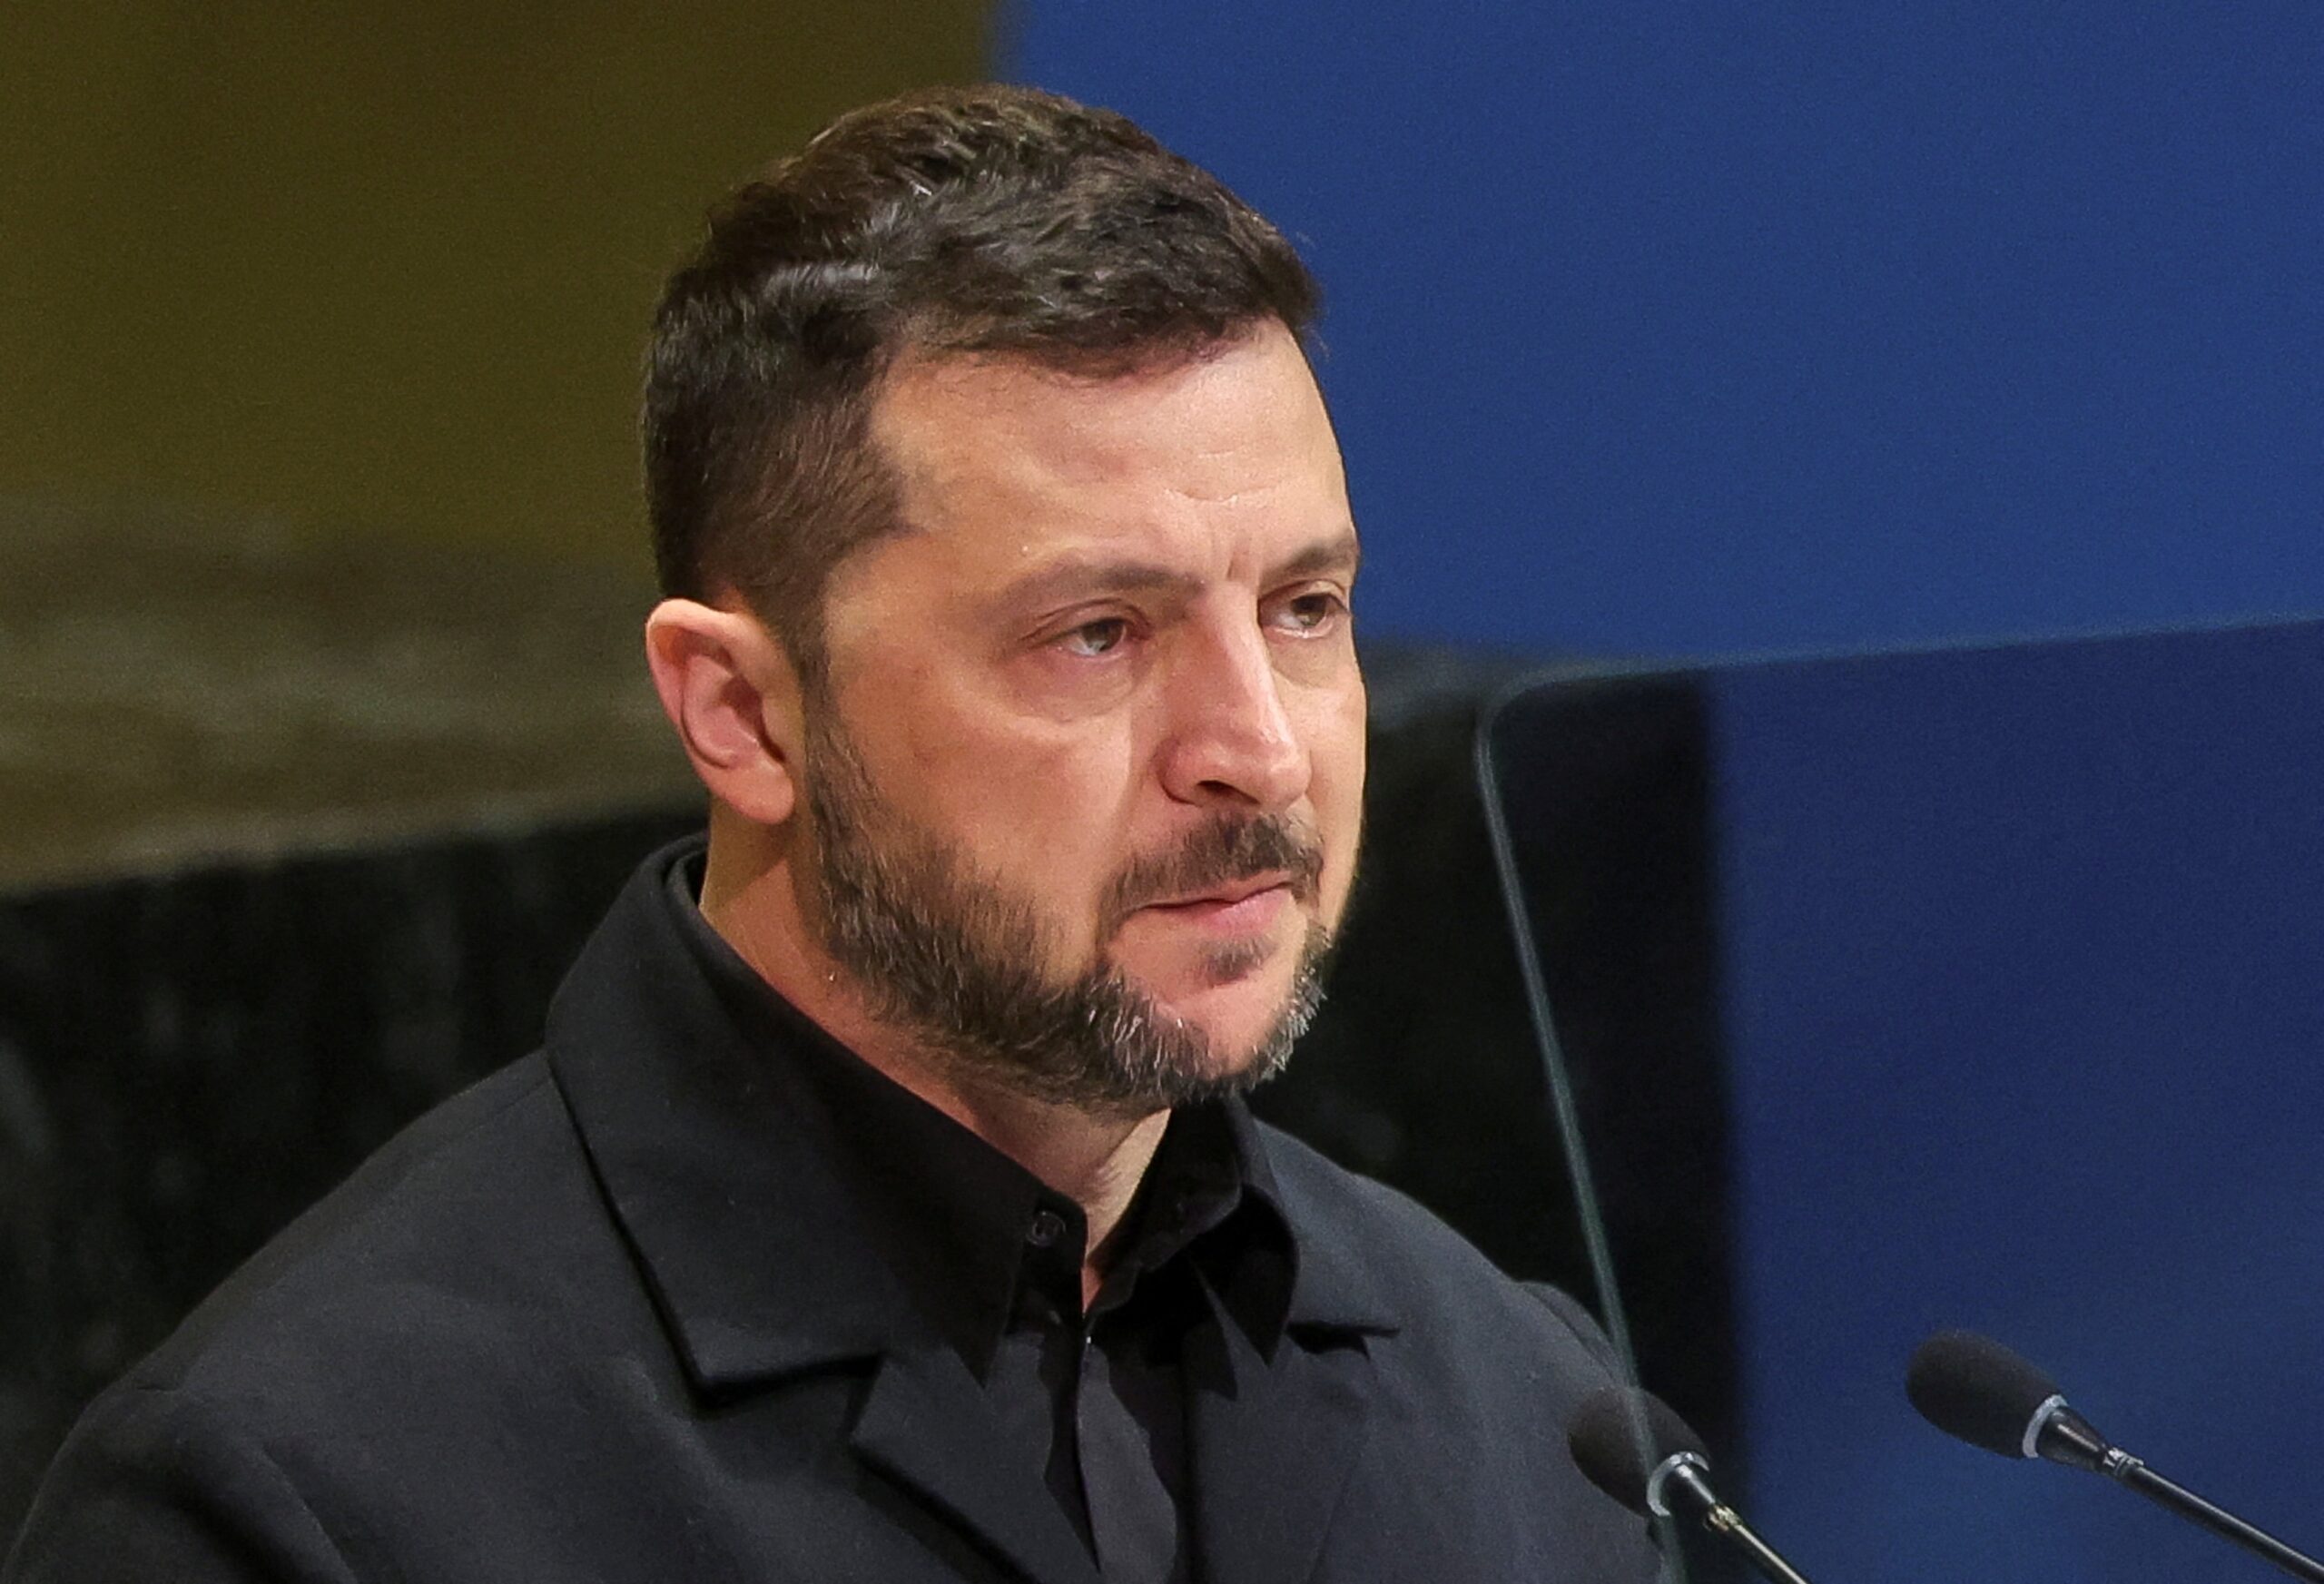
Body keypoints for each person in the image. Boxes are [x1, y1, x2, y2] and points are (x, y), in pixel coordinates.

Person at [5, 86, 1660, 1583]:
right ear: (741, 712)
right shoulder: (295, 1507)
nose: (1257, 750)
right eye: (1097, 634)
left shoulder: (1530, 1417)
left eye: (1305, 608)